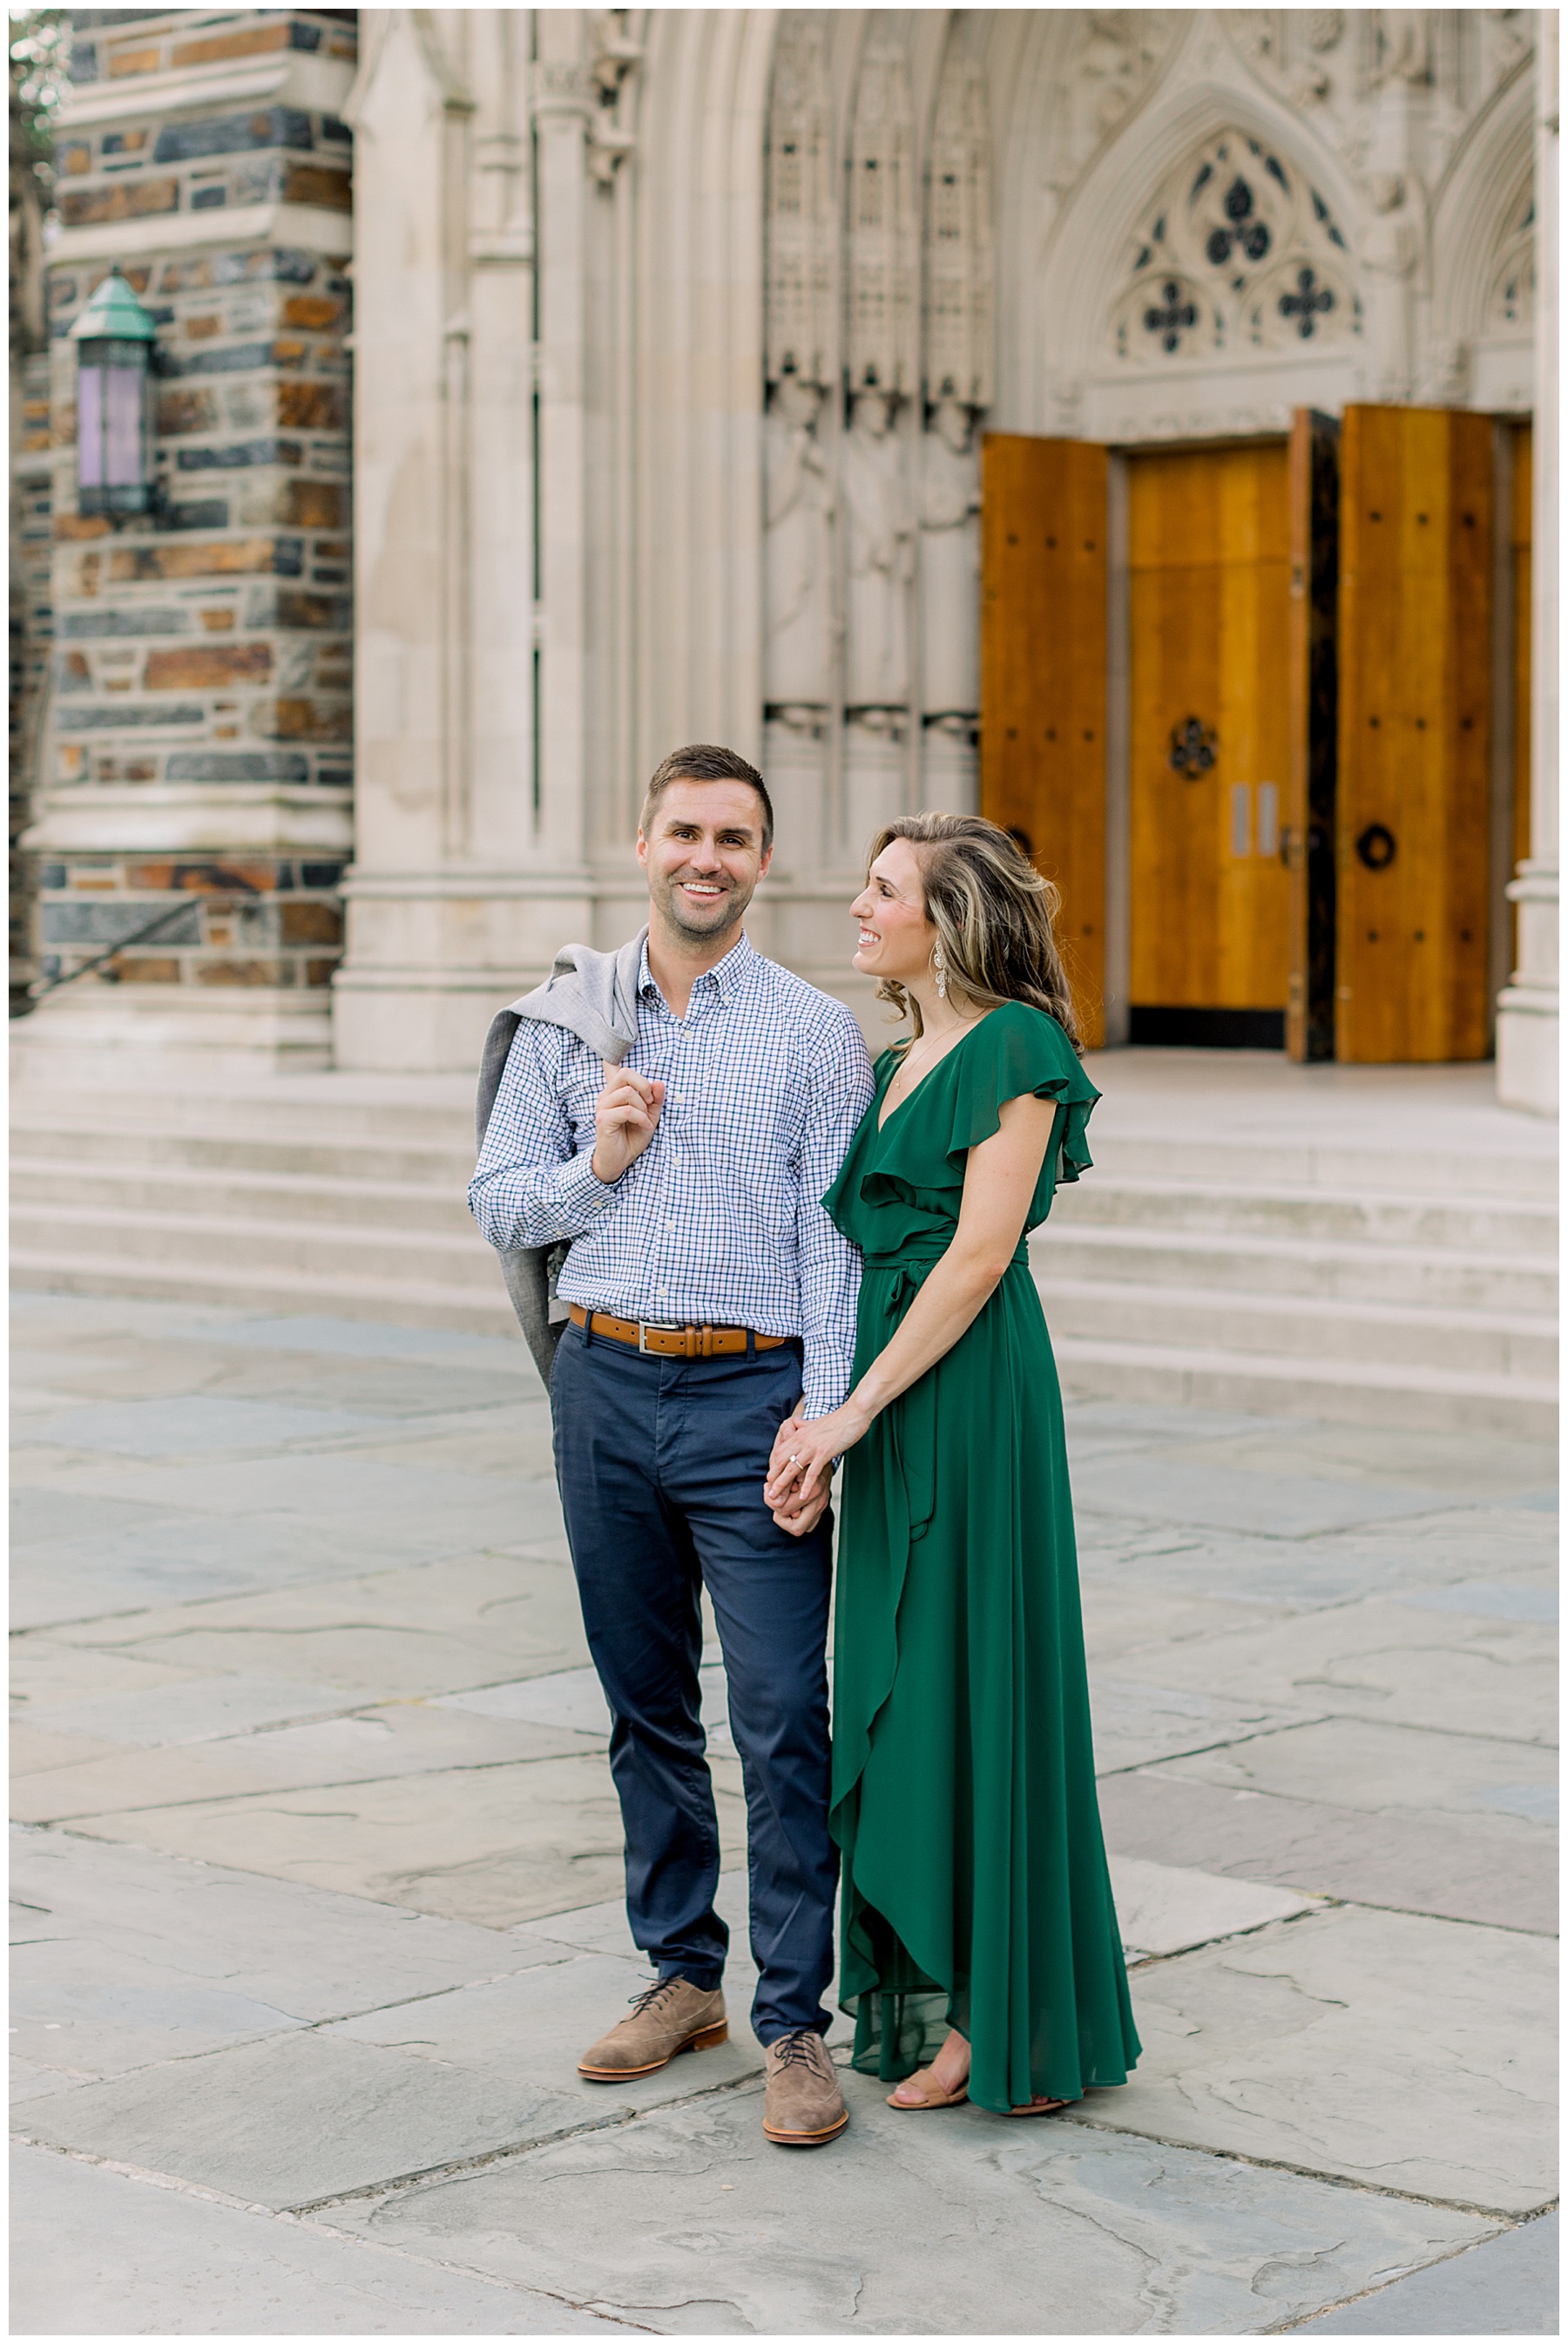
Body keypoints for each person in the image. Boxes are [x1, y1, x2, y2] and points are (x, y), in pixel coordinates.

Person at [470, 744, 875, 2151]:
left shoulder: (817, 1033)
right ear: (640, 841)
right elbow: (500, 1206)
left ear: (764, 861)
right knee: (644, 1703)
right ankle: (681, 1975)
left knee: (778, 1714)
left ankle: (796, 2024)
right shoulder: (564, 1028)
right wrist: (601, 1163)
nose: (708, 857)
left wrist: (821, 1413)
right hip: (604, 1384)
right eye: (686, 831)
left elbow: (836, 1241)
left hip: (750, 1399)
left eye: (736, 837)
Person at [764, 811, 1142, 2117]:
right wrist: (822, 1418)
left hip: (969, 1402)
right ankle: (946, 1983)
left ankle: (1009, 2018)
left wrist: (856, 1411)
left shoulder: (1018, 1048)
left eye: (883, 890)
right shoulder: (891, 1063)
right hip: (886, 1396)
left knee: (980, 1678)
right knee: (904, 1683)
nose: (858, 908)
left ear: (950, 916)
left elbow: (977, 1257)